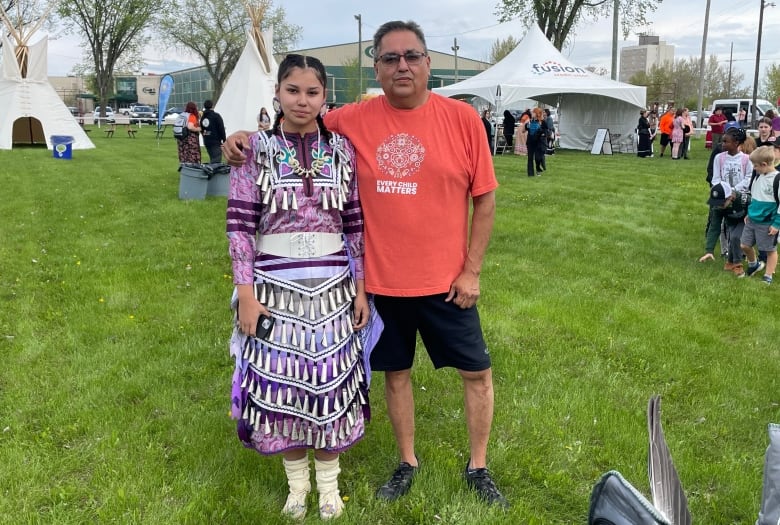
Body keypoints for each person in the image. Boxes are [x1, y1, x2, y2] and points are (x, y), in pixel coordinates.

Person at [222, 19, 508, 509]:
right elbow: (296, 127)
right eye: (390, 58)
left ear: (427, 61)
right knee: (395, 373)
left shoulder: (462, 119)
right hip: (383, 281)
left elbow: (485, 200)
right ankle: (406, 462)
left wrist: (472, 270)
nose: (402, 66)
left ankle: (479, 466)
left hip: (447, 282)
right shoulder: (354, 118)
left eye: (411, 56)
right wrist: (247, 136)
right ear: (377, 65)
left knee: (476, 372)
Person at [225, 54, 372, 520]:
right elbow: (240, 224)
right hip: (273, 284)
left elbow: (354, 222)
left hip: (333, 283)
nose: (302, 101)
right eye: (293, 91)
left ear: (325, 96)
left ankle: (329, 487)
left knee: (330, 381)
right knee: (281, 381)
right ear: (278, 92)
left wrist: (362, 287)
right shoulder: (255, 151)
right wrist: (245, 293)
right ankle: (297, 487)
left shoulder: (343, 151)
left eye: (312, 92)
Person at [740, 146, 780, 284]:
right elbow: (755, 197)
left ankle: (768, 276)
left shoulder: (777, 180)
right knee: (744, 245)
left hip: (767, 222)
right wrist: (749, 213)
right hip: (752, 219)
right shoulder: (758, 177)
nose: (754, 168)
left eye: (755, 166)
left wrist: (776, 224)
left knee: (769, 250)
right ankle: (754, 264)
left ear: (764, 164)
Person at [698, 181, 749, 276]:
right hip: (731, 223)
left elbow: (755, 207)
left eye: (721, 203)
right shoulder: (717, 208)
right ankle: (729, 263)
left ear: (730, 197)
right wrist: (709, 250)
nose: (718, 206)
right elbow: (714, 228)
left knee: (735, 237)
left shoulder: (743, 199)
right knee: (732, 240)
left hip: (746, 220)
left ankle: (737, 265)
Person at [200, 99, 226, 164]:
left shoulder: (203, 117)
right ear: (212, 106)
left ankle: (210, 171)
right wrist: (224, 140)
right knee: (216, 161)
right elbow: (221, 129)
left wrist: (205, 135)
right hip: (215, 141)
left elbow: (202, 129)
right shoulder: (216, 116)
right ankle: (211, 172)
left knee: (212, 158)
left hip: (207, 141)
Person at [525, 108, 547, 176]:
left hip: (539, 142)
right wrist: (526, 125)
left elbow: (546, 132)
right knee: (530, 158)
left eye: (533, 112)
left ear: (537, 113)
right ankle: (530, 174)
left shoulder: (543, 122)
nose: (531, 114)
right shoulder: (529, 121)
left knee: (537, 158)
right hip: (530, 141)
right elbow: (524, 129)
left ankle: (538, 169)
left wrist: (543, 134)